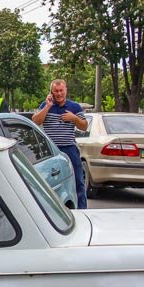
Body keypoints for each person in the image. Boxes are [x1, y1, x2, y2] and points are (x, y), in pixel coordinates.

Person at [33, 79, 89, 209]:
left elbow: (84, 126)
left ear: (66, 90)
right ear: (51, 92)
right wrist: (47, 106)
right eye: (56, 91)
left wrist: (74, 118)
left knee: (78, 180)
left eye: (61, 91)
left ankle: (82, 210)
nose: (59, 94)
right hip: (51, 150)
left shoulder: (74, 107)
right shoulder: (46, 105)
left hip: (69, 148)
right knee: (51, 181)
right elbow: (36, 120)